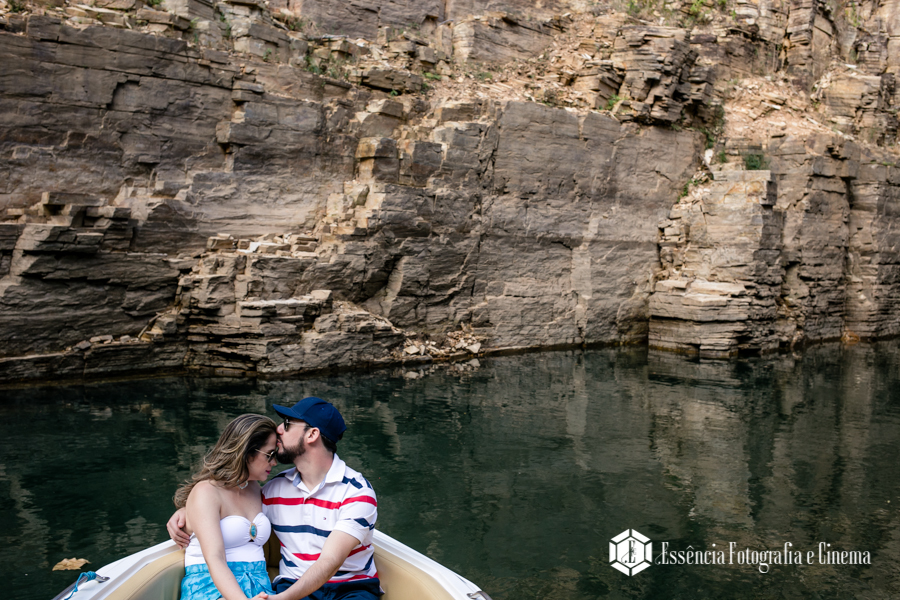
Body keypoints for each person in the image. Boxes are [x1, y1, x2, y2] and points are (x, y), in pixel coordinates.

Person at [168, 397, 382, 600]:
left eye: (287, 424)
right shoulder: (275, 489)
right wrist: (188, 511)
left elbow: (330, 561)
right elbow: (222, 501)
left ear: (312, 434)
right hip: (291, 584)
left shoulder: (357, 492)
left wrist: (282, 598)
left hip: (349, 587)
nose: (279, 429)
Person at [173, 413, 279, 600]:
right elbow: (215, 558)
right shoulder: (206, 491)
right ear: (247, 452)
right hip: (209, 586)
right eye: (270, 455)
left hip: (260, 585)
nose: (274, 462)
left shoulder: (255, 488)